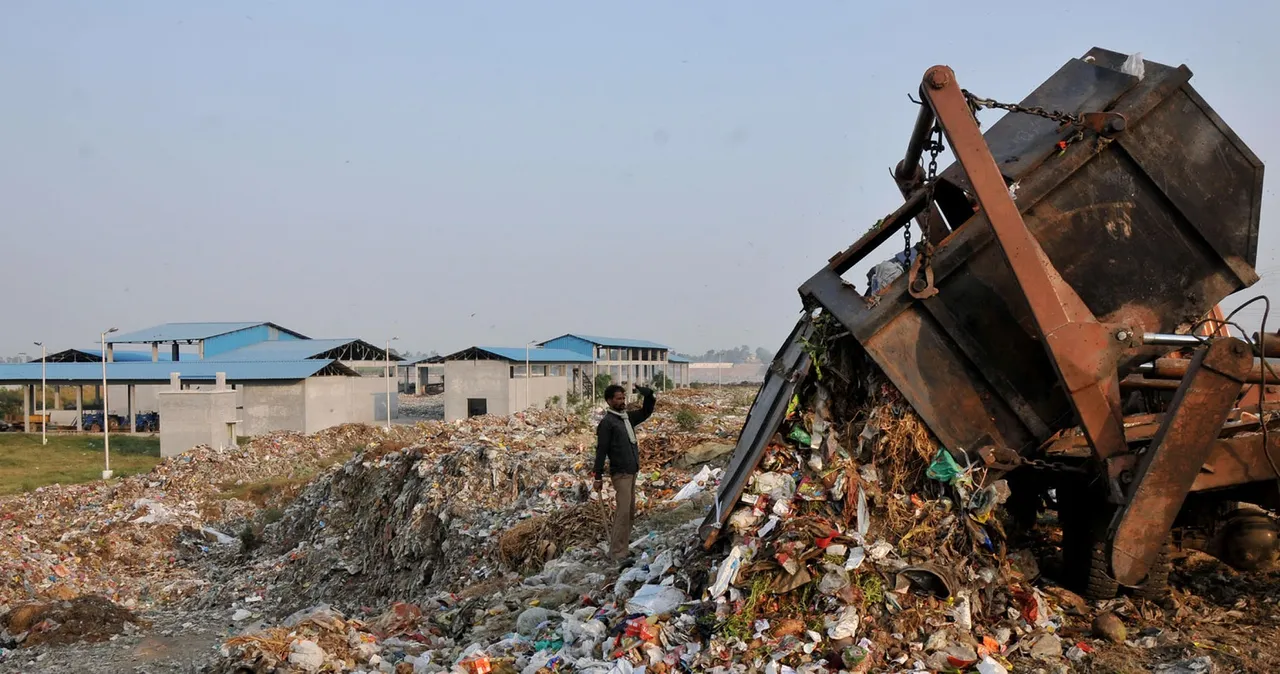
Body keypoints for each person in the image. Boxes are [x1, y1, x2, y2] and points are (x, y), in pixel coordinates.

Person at [593, 383, 656, 564]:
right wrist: (597, 476)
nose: (622, 402)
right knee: (622, 513)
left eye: (623, 398)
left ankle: (623, 549)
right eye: (618, 399)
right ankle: (617, 554)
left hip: (632, 472)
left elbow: (645, 412)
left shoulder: (626, 418)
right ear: (609, 401)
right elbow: (601, 450)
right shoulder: (607, 423)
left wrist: (649, 395)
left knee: (629, 512)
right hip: (620, 474)